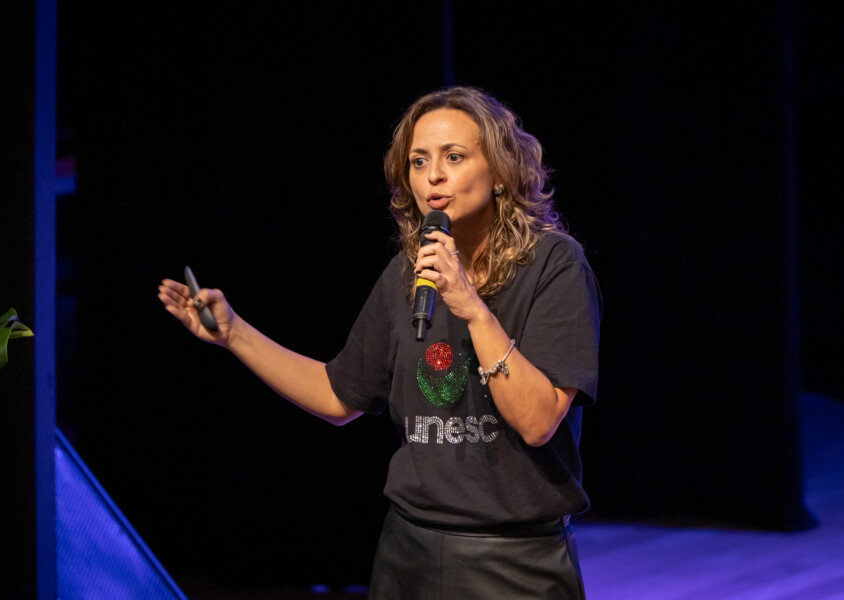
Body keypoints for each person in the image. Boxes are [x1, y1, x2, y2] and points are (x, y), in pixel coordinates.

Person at [158, 86, 601, 599]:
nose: (433, 176)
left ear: (500, 171)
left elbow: (538, 422)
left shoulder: (554, 264)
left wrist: (473, 309)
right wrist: (234, 332)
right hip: (408, 551)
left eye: (454, 157)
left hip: (514, 560)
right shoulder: (407, 274)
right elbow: (337, 395)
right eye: (419, 161)